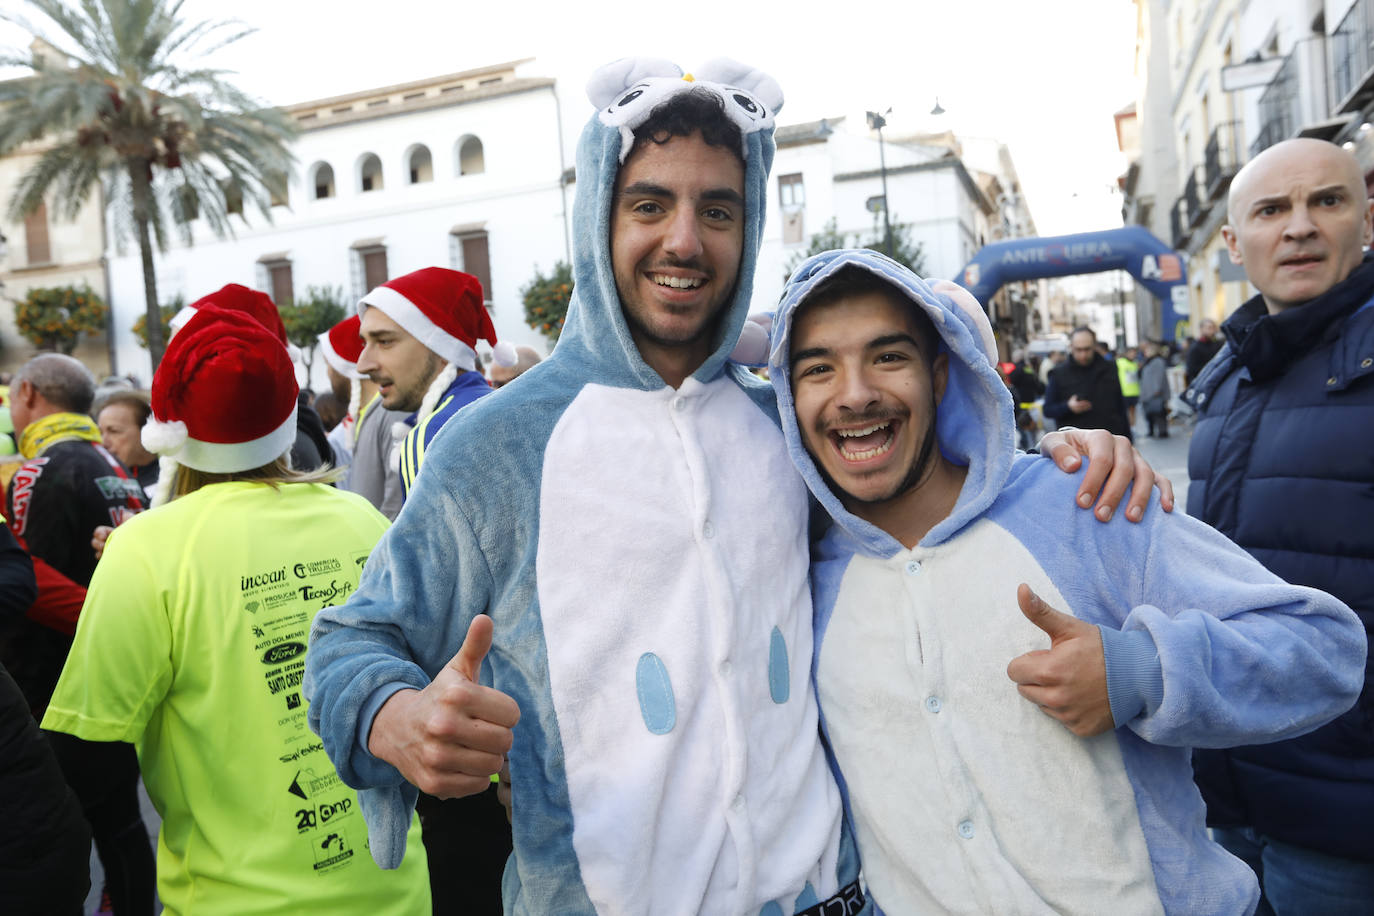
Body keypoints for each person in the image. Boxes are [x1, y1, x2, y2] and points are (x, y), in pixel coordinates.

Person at [306, 59, 1168, 915]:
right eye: (649, 204)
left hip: (834, 899)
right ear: (596, 217)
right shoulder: (497, 446)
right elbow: (351, 640)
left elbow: (940, 465)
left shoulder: (785, 426)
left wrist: (1069, 451)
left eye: (717, 210)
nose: (684, 240)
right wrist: (393, 717)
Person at [766, 248, 1364, 915]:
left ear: (941, 375)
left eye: (887, 357)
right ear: (790, 400)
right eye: (818, 368)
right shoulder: (798, 579)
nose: (855, 393)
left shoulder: (1083, 502)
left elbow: (1323, 649)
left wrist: (1145, 672)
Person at [41, 304, 431, 915]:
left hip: (231, 901)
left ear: (171, 426)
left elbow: (85, 751)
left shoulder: (146, 548)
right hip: (395, 890)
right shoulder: (358, 517)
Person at [1185, 136, 1374, 913]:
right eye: (1272, 209)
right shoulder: (1224, 380)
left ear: (1366, 219)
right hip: (1233, 793)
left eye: (1325, 201)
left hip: (1345, 811)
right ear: (1234, 244)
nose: (1298, 227)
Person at [354, 267, 512, 500]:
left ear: (444, 349)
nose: (362, 365)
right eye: (364, 343)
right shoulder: (491, 407)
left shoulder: (436, 438)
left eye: (385, 341)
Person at [1043, 326, 1131, 438]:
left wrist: (1128, 440)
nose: (1083, 355)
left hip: (1109, 440)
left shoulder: (1110, 368)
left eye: (1087, 349)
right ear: (1071, 347)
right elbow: (1048, 410)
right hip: (1075, 444)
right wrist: (1068, 407)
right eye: (1078, 350)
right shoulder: (1058, 373)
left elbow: (1120, 406)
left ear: (1094, 346)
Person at [95, 390, 159, 499]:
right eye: (100, 433)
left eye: (114, 431)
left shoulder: (172, 481)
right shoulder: (102, 477)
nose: (103, 443)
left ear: (146, 431)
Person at [1138, 340, 1170, 438]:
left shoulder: (1158, 361)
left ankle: (1162, 431)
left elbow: (1159, 376)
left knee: (1159, 412)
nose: (1145, 352)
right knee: (1149, 412)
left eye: (1148, 350)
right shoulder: (1147, 361)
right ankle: (1151, 430)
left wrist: (1157, 389)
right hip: (1147, 391)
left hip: (1156, 392)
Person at [1183, 318, 1223, 387]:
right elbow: (1191, 369)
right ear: (1201, 329)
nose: (1212, 330)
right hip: (1202, 383)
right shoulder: (1195, 347)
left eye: (1213, 327)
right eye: (1209, 328)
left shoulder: (1217, 344)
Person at [1116, 345, 1140, 428]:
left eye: (1135, 353)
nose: (1133, 355)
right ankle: (1125, 428)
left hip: (1134, 391)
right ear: (1126, 353)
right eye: (1131, 353)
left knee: (1133, 412)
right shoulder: (1120, 362)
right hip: (1124, 392)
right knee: (1123, 413)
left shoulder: (1135, 363)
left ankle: (1133, 428)